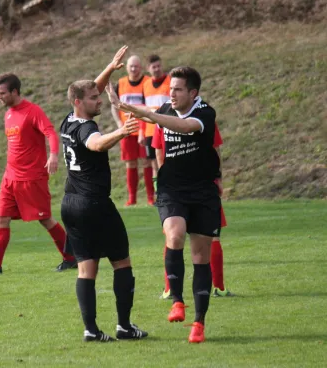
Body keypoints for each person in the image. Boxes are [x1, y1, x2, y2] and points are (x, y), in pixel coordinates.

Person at [108, 66, 219, 343]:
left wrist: (147, 113)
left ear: (193, 93)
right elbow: (154, 136)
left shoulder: (205, 112)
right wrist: (115, 93)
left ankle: (199, 323)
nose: (172, 94)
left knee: (200, 258)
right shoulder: (166, 110)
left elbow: (184, 126)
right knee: (175, 233)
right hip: (172, 190)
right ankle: (178, 300)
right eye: (170, 89)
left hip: (203, 192)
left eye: (178, 89)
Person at [60, 46, 149, 342]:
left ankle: (91, 330)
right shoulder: (86, 128)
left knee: (86, 270)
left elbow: (90, 89)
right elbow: (96, 144)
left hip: (70, 204)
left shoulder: (68, 120)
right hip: (94, 205)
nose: (99, 100)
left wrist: (110, 68)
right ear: (79, 102)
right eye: (95, 99)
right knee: (121, 262)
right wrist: (122, 132)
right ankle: (124, 326)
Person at [0, 73, 77, 275]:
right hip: (10, 178)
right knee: (1, 218)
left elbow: (50, 133)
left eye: (2, 93)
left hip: (31, 177)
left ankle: (71, 258)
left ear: (14, 92)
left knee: (45, 219)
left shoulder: (32, 111)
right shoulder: (8, 114)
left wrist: (53, 155)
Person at [152, 123, 234, 299]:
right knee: (205, 236)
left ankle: (171, 289)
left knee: (176, 236)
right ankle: (217, 287)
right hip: (193, 186)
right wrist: (218, 177)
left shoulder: (165, 119)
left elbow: (159, 151)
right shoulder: (201, 117)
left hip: (191, 186)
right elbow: (215, 150)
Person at [110, 55, 154, 206]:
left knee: (148, 162)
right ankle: (132, 199)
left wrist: (144, 126)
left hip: (145, 128)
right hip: (127, 130)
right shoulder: (121, 83)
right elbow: (114, 105)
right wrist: (118, 123)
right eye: (131, 66)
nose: (134, 69)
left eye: (136, 66)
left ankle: (150, 197)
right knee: (130, 163)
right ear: (127, 68)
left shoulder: (147, 82)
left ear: (141, 67)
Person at [142, 55, 171, 187]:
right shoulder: (146, 85)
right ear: (148, 69)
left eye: (159, 66)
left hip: (167, 128)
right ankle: (158, 194)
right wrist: (142, 132)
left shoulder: (171, 81)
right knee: (154, 164)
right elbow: (144, 110)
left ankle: (171, 191)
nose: (157, 69)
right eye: (154, 67)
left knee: (168, 162)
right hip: (150, 130)